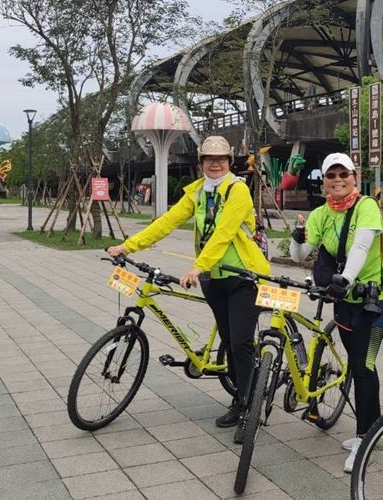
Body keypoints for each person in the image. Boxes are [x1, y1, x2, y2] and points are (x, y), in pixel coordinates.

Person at [106, 135, 268, 431]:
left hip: (244, 276)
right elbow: (165, 222)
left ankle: (247, 408)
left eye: (221, 159)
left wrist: (197, 266)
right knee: (230, 342)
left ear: (230, 162)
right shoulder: (197, 192)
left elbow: (224, 233)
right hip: (213, 280)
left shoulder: (238, 190)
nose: (215, 164)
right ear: (201, 163)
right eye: (209, 158)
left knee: (242, 343)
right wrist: (128, 246)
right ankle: (241, 397)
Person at [289, 153, 383, 473]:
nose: (338, 180)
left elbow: (362, 248)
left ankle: (367, 436)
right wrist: (297, 241)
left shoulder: (367, 207)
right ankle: (378, 431)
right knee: (359, 365)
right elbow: (300, 255)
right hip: (345, 300)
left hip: (377, 301)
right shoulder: (321, 214)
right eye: (331, 175)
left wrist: (345, 279)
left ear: (355, 176)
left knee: (364, 365)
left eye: (343, 174)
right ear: (323, 181)